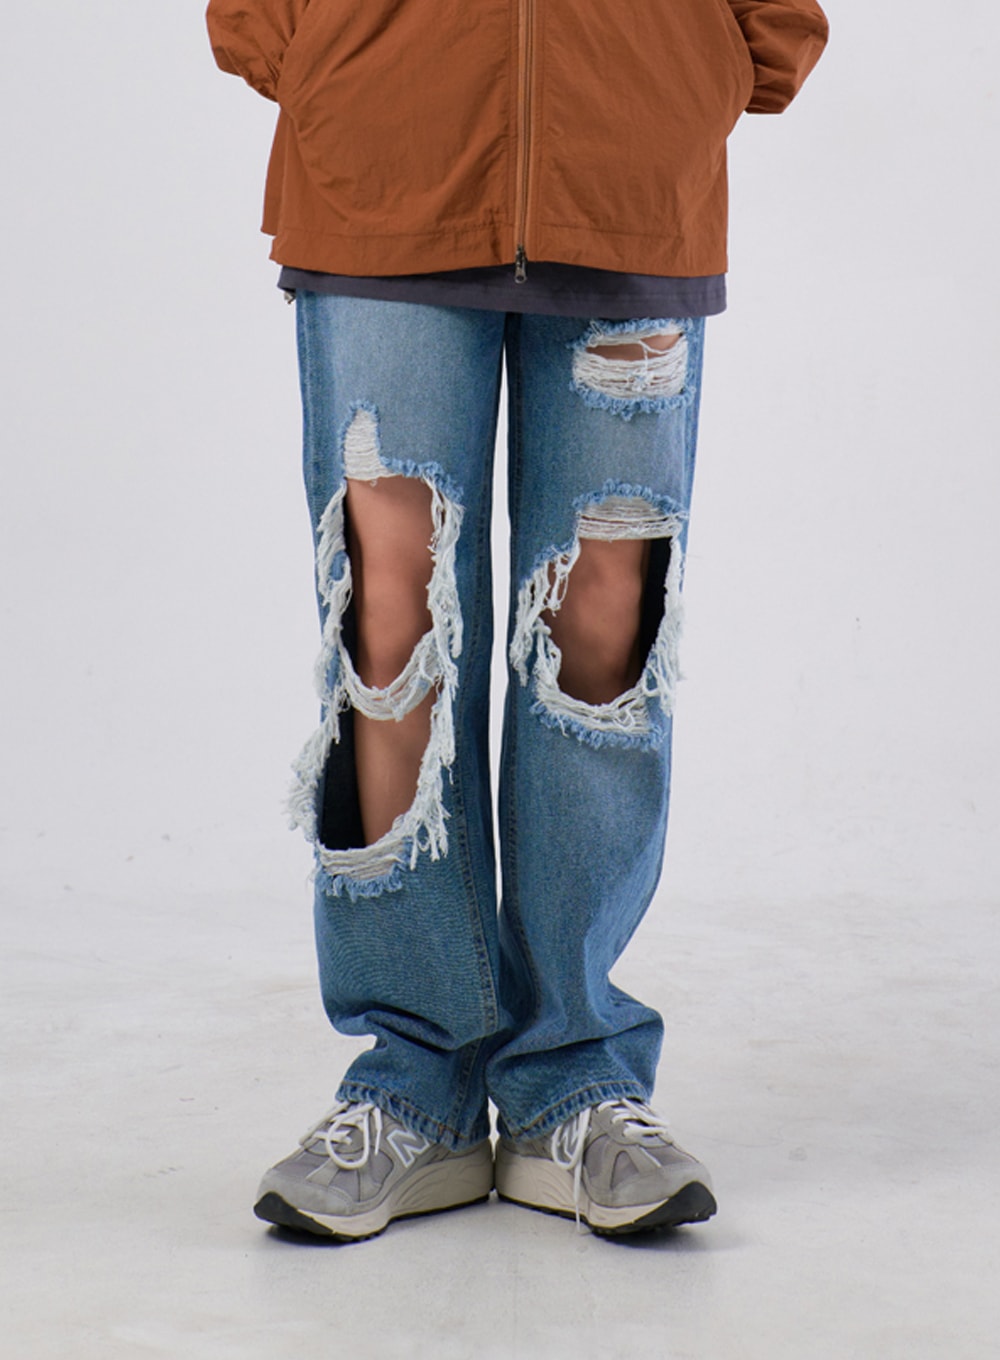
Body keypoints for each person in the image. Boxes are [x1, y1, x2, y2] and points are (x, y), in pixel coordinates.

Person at [206, 0, 829, 1240]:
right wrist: (331, 51)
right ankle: (414, 1080)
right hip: (382, 166)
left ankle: (573, 1082)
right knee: (390, 642)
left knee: (603, 652)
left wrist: (698, 60)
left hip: (629, 169)